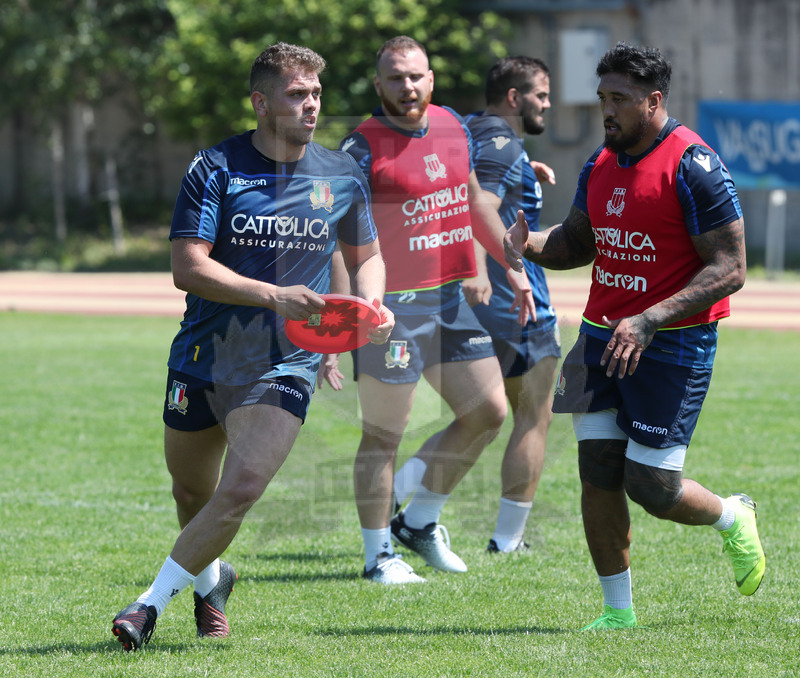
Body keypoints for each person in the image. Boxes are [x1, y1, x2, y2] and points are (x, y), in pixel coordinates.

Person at [111, 42, 393, 651]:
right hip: (203, 355)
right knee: (192, 492)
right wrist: (272, 295)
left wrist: (371, 305)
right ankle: (212, 580)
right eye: (297, 94)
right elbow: (187, 266)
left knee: (240, 488)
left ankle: (146, 606)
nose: (311, 105)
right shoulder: (214, 166)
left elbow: (367, 257)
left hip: (286, 361)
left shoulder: (340, 173)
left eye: (316, 93)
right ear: (261, 103)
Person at [504, 42, 765, 630]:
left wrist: (649, 318)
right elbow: (576, 243)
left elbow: (731, 267)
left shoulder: (694, 165)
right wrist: (529, 243)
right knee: (597, 472)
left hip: (672, 343)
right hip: (599, 341)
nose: (607, 110)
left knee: (652, 486)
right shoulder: (601, 162)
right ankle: (617, 614)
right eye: (602, 97)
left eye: (619, 98)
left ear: (653, 101)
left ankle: (732, 515)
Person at [333, 36, 516, 584]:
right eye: (395, 78)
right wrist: (342, 318)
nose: (407, 86)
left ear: (430, 79)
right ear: (378, 85)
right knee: (384, 434)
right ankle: (378, 557)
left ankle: (419, 521)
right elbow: (337, 239)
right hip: (389, 311)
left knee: (488, 412)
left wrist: (507, 260)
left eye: (415, 76)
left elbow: (472, 199)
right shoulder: (360, 148)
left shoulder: (453, 125)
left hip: (448, 300)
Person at [466, 56, 561, 553]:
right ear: (513, 97)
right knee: (533, 415)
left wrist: (525, 169)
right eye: (541, 95)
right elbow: (479, 203)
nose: (547, 103)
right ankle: (508, 540)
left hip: (475, 302)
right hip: (515, 303)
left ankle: (406, 509)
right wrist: (492, 271)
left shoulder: (472, 130)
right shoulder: (502, 142)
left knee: (477, 417)